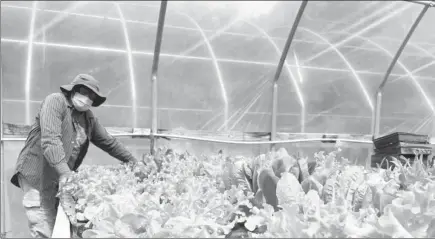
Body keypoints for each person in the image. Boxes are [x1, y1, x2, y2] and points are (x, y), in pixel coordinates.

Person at [10, 74, 142, 238]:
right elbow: (51, 141)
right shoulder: (55, 102)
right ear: (72, 90)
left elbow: (109, 142)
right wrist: (66, 173)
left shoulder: (88, 118)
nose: (86, 99)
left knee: (56, 225)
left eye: (91, 96)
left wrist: (135, 163)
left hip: (58, 178)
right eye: (83, 91)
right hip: (37, 173)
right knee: (42, 224)